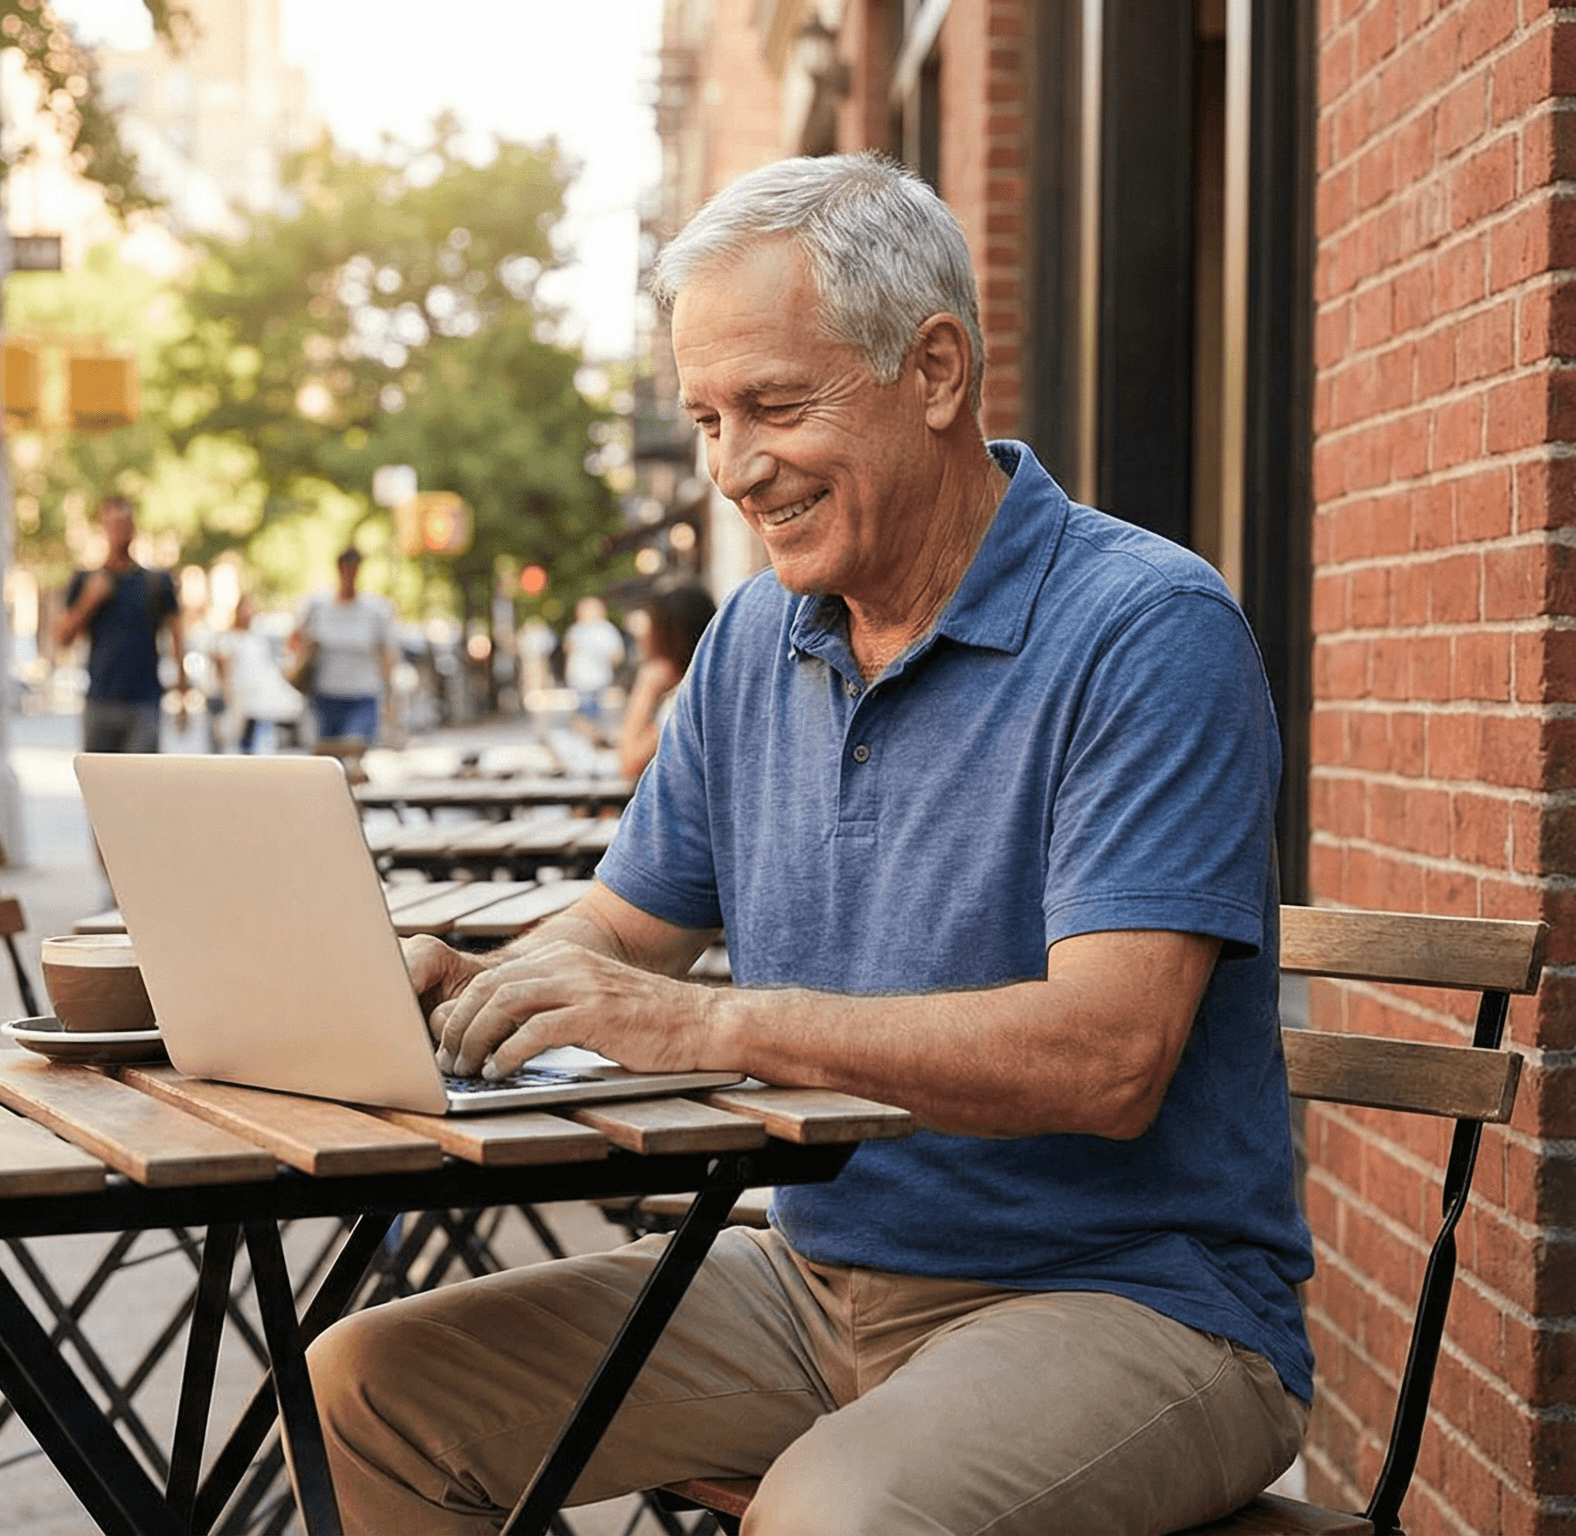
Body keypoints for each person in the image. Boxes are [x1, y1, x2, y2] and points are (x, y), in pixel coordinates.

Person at [308, 153, 1309, 1536]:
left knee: (839, 1517)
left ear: (937, 370)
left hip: (1135, 1301)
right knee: (369, 1388)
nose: (732, 468)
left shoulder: (1146, 631)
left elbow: (1110, 1056)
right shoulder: (753, 640)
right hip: (810, 1280)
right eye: (707, 417)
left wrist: (704, 1028)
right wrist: (479, 977)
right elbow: (626, 930)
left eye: (775, 406)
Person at [54, 495, 184, 756]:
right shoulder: (86, 580)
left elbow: (177, 634)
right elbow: (62, 637)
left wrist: (182, 690)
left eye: (123, 526)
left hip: (144, 702)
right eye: (111, 526)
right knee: (99, 789)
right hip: (100, 699)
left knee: (141, 787)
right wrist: (89, 602)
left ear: (133, 530)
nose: (117, 534)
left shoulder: (155, 583)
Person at [291, 546, 395, 747]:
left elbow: (386, 654)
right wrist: (302, 660)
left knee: (353, 749)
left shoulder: (375, 609)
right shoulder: (317, 605)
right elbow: (294, 638)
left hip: (363, 693)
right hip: (325, 694)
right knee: (329, 757)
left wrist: (389, 695)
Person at [614, 582, 718, 780]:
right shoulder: (708, 687)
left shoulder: (682, 700)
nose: (642, 635)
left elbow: (629, 764)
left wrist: (645, 688)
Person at [213, 593, 303, 753]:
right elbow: (224, 672)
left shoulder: (257, 638)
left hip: (261, 696)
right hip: (242, 695)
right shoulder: (228, 638)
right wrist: (230, 698)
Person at [560, 595, 627, 742]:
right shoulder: (577, 629)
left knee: (591, 711)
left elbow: (617, 654)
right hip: (579, 677)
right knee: (585, 711)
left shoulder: (606, 630)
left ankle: (592, 739)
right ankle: (590, 738)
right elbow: (567, 648)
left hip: (598, 678)